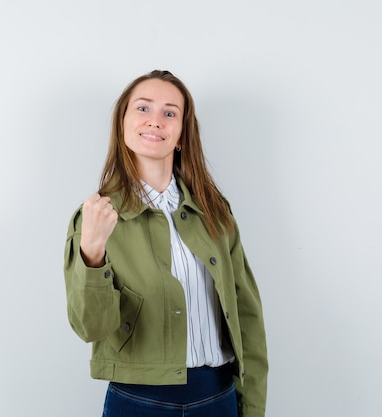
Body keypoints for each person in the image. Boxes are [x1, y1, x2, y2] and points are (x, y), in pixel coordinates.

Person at [63, 70, 268, 417]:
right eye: (142, 109)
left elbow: (247, 316)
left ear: (181, 136)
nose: (155, 121)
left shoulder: (214, 212)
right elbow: (91, 328)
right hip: (137, 402)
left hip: (217, 399)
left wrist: (251, 407)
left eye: (170, 112)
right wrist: (92, 253)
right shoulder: (97, 215)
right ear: (122, 123)